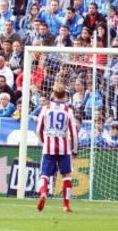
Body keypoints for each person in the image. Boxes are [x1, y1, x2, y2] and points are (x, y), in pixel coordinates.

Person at [36, 83, 78, 212]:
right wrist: (75, 149)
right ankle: (66, 205)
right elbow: (73, 132)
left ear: (53, 94)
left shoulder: (46, 108)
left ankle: (43, 193)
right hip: (64, 147)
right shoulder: (68, 111)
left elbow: (39, 129)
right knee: (66, 175)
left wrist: (43, 141)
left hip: (49, 146)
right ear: (65, 96)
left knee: (45, 175)